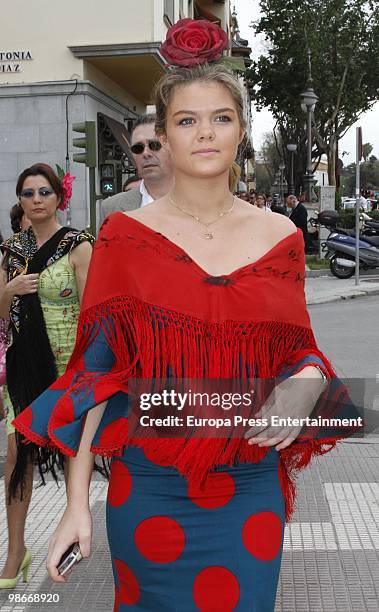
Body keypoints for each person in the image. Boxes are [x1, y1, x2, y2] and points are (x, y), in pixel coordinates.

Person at [12, 21, 358, 611]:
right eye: (186, 120)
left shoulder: (282, 238)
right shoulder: (123, 237)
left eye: (221, 118)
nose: (205, 133)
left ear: (242, 132)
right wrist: (74, 506)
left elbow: (298, 347)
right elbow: (94, 374)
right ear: (164, 138)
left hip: (250, 486)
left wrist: (309, 379)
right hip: (150, 488)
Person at [0, 163, 94, 589]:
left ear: (59, 197)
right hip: (24, 366)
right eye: (27, 193)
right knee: (19, 457)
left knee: (78, 450)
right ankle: (16, 551)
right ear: (19, 201)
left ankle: (75, 531)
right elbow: (2, 319)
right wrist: (7, 292)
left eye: (43, 192)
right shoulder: (10, 250)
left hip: (68, 363)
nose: (36, 199)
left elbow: (94, 313)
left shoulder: (79, 245)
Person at [99, 114, 174, 222]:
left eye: (154, 145)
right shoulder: (111, 207)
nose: (146, 153)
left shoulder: (201, 202)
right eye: (138, 148)